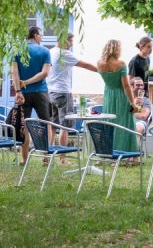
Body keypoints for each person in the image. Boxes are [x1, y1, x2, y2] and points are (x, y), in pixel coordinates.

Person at [47, 33, 97, 152]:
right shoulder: (64, 53)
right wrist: (101, 70)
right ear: (64, 40)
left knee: (52, 125)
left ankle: (47, 154)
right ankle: (62, 158)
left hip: (50, 92)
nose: (71, 45)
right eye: (70, 42)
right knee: (65, 125)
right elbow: (84, 64)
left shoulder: (50, 52)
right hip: (63, 92)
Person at [11, 26, 52, 164]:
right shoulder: (45, 51)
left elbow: (14, 72)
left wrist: (18, 90)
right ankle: (46, 157)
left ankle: (24, 159)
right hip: (41, 92)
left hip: (23, 94)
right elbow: (45, 73)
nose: (41, 38)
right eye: (41, 35)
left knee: (24, 125)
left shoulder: (17, 50)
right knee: (45, 123)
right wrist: (28, 82)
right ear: (35, 35)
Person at [98, 40, 139, 153]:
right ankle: (128, 153)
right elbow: (126, 85)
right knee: (126, 123)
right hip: (121, 96)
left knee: (109, 123)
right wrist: (132, 103)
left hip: (108, 96)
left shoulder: (99, 63)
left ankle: (109, 151)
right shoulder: (121, 64)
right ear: (117, 49)